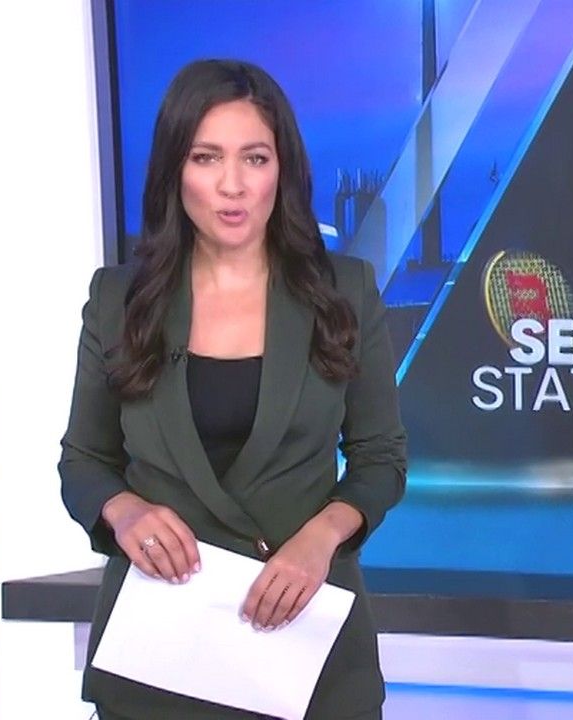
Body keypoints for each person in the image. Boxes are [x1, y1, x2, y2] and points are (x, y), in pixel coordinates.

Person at [58, 60, 406, 719]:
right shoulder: (118, 300)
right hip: (159, 651)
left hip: (304, 647)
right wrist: (124, 512)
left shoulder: (344, 292)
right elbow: (84, 460)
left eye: (254, 158)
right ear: (175, 170)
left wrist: (322, 538)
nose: (232, 185)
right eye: (206, 157)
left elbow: (380, 458)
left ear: (282, 169)